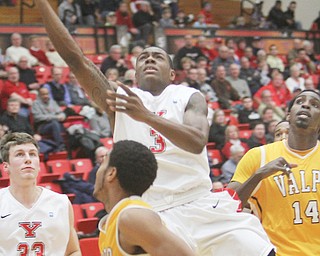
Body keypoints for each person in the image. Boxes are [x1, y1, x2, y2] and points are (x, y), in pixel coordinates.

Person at [36, 1, 275, 254]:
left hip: (199, 203)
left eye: (158, 56)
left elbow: (196, 141)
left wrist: (145, 116)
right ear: (136, 74)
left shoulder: (189, 96)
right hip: (150, 213)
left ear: (172, 73)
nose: (149, 58)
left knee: (259, 249)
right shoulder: (119, 98)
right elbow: (76, 60)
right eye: (143, 58)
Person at [228, 90, 320, 255]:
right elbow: (227, 206)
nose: (306, 105)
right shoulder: (258, 156)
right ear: (288, 115)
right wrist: (259, 175)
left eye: (315, 105)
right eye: (300, 101)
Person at [94, 140, 195, 255]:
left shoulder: (132, 217)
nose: (97, 170)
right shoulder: (115, 219)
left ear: (111, 173)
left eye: (103, 163)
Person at [0, 132, 81, 255]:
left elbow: (73, 251)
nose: (28, 159)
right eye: (20, 154)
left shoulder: (61, 202)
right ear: (6, 167)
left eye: (32, 154)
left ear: (39, 164)